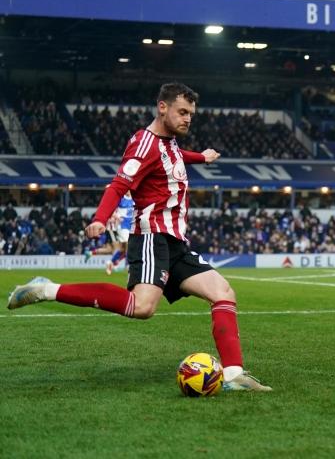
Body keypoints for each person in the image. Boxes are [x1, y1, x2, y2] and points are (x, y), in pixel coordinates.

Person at [7, 82, 270, 392]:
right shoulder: (144, 144)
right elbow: (119, 185)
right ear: (163, 107)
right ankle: (46, 290)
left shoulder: (168, 142)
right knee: (142, 307)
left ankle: (234, 375)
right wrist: (100, 219)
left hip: (175, 242)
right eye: (182, 112)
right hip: (151, 238)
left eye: (191, 114)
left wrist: (202, 157)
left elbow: (175, 155)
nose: (188, 119)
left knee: (223, 292)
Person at [105, 191, 134, 275]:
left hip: (131, 225)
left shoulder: (134, 198)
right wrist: (116, 216)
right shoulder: (121, 198)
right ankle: (128, 265)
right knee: (129, 243)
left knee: (123, 249)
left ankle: (110, 262)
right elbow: (111, 209)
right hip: (122, 226)